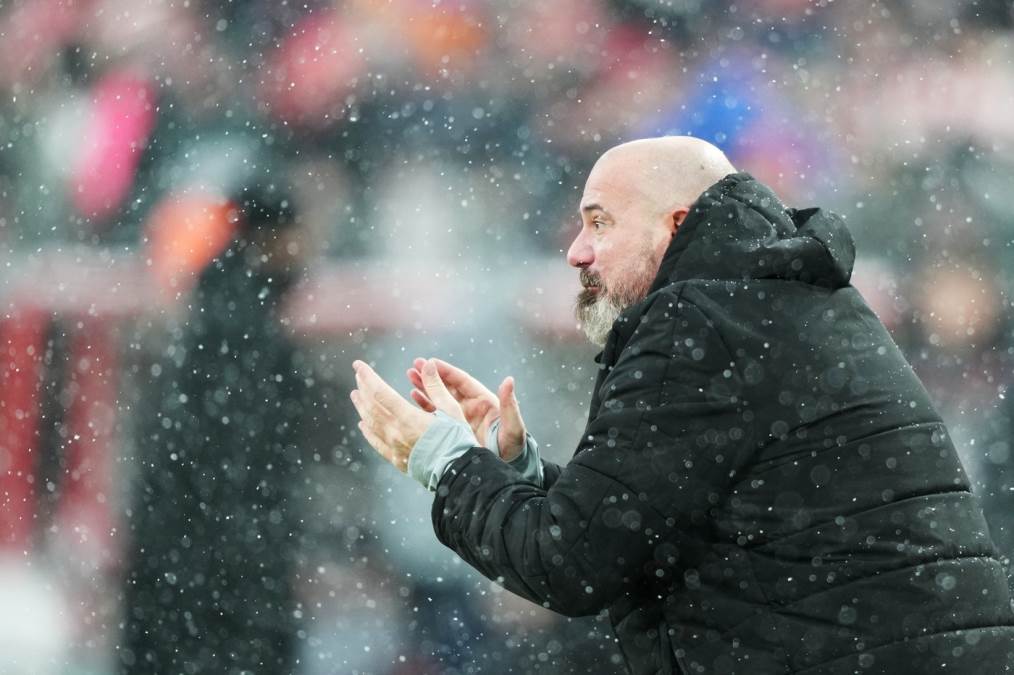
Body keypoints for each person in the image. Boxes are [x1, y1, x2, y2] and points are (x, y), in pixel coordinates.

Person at [349, 136, 1014, 674]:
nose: (576, 251)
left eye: (600, 222)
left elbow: (571, 563)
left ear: (675, 225)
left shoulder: (700, 321)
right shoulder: (777, 299)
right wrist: (512, 471)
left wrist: (445, 462)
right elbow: (633, 525)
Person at [121, 183, 314, 674]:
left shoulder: (216, 309)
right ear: (270, 237)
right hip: (221, 576)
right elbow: (241, 471)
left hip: (183, 567)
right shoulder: (248, 332)